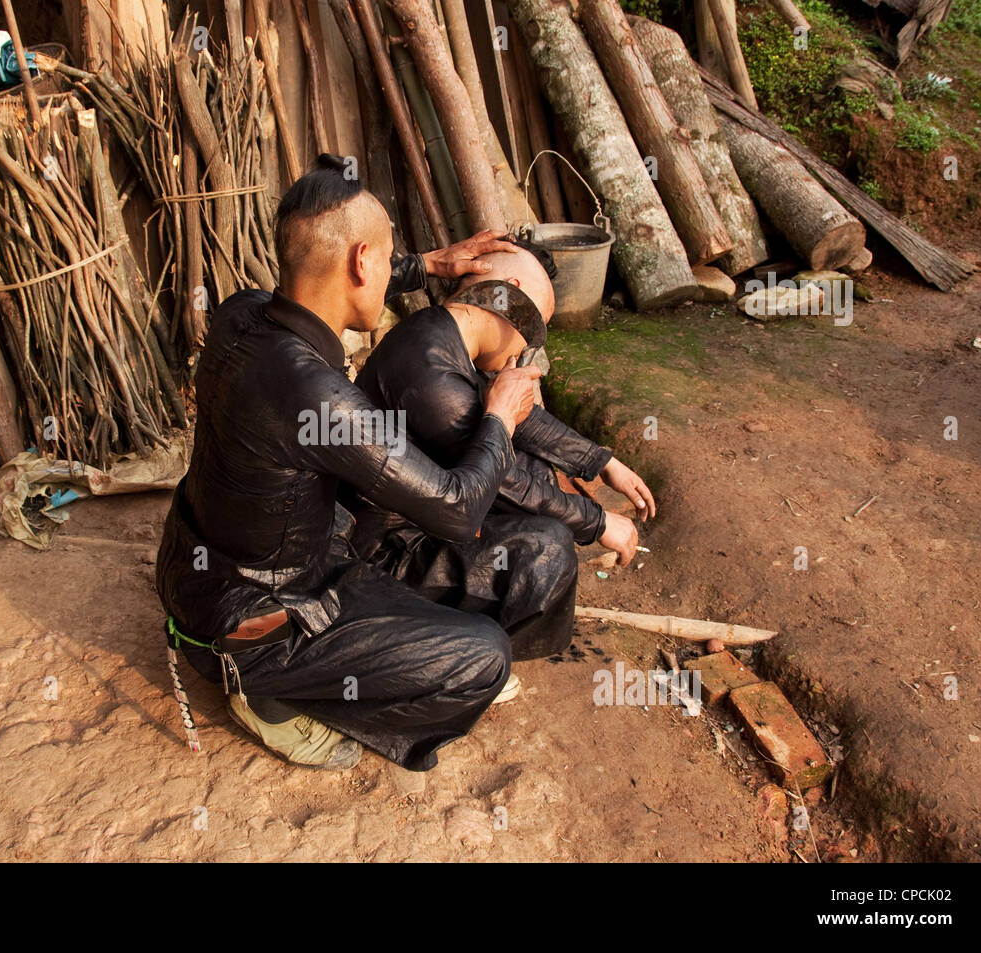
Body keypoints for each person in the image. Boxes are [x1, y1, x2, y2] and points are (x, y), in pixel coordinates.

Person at [155, 154, 540, 773]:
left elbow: (334, 268)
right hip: (258, 620)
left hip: (195, 574)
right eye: (388, 260)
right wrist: (498, 416)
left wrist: (428, 265)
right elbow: (459, 508)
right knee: (484, 658)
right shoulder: (318, 394)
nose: (393, 272)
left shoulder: (239, 312)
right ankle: (270, 696)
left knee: (382, 538)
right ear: (363, 262)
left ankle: (290, 660)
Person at [349, 237, 656, 663]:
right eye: (534, 331)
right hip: (386, 555)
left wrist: (601, 462)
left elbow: (520, 417)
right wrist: (598, 521)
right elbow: (503, 481)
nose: (526, 348)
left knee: (536, 475)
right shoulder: (430, 373)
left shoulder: (440, 333)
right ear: (508, 295)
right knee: (547, 549)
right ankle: (475, 661)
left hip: (425, 510)